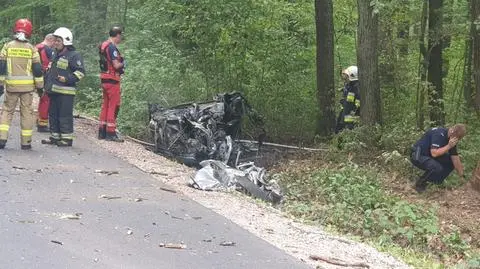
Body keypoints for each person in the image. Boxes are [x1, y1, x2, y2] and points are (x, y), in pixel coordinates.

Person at [0, 19, 44, 150]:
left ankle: (2, 139)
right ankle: (26, 142)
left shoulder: (7, 46)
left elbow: (1, 67)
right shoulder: (32, 49)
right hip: (27, 88)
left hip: (11, 86)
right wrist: (40, 87)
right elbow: (37, 70)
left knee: (7, 111)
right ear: (29, 32)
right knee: (27, 113)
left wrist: (1, 84)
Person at [41, 27, 85, 147]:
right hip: (53, 91)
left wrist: (67, 79)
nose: (55, 43)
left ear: (66, 41)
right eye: (55, 40)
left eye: (58, 41)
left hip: (66, 92)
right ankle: (55, 137)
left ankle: (66, 139)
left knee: (64, 116)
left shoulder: (74, 55)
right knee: (53, 115)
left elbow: (80, 72)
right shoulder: (55, 54)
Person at [410, 124, 466, 193]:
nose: (456, 140)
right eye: (456, 138)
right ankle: (419, 185)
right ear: (452, 131)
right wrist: (449, 146)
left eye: (458, 139)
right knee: (435, 167)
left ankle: (435, 182)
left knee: (450, 162)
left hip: (429, 155)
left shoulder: (451, 140)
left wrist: (462, 176)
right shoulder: (439, 134)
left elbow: (455, 158)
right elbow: (434, 153)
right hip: (418, 155)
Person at [98, 26, 125, 142]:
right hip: (112, 79)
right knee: (113, 105)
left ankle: (102, 131)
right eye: (121, 36)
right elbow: (116, 65)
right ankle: (111, 133)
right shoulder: (112, 48)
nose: (121, 38)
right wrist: (124, 63)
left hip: (104, 78)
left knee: (106, 104)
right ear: (117, 35)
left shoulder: (103, 45)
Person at [36, 33, 56, 132]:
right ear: (51, 40)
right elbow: (51, 64)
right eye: (54, 42)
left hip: (35, 77)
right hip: (45, 77)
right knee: (46, 99)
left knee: (42, 98)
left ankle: (39, 119)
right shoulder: (48, 50)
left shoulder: (36, 47)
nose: (54, 44)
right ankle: (42, 124)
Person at [335, 65, 360, 134]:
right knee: (338, 130)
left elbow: (357, 102)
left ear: (352, 76)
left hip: (351, 118)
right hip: (345, 113)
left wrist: (354, 110)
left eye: (347, 76)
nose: (345, 78)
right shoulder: (349, 86)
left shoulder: (356, 88)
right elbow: (349, 99)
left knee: (348, 132)